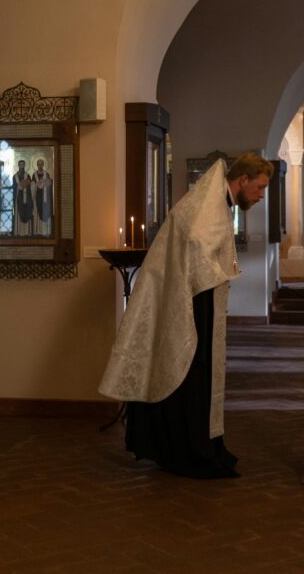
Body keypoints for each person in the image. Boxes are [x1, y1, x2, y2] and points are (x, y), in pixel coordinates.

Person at [99, 152, 273, 479]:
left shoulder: (215, 201)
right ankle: (189, 450)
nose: (262, 195)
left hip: (196, 299)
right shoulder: (209, 204)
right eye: (260, 187)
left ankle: (205, 445)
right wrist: (213, 277)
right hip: (191, 303)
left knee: (197, 375)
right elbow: (196, 245)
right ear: (243, 180)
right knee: (189, 372)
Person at [33, 157, 53, 236]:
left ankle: (45, 231)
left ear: (43, 165)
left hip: (45, 198)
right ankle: (38, 230)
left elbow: (49, 185)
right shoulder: (34, 175)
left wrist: (45, 183)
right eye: (39, 164)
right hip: (38, 196)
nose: (40, 165)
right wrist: (36, 185)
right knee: (38, 211)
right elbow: (32, 186)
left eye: (41, 164)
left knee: (45, 211)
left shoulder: (46, 174)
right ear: (37, 165)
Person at [14, 159, 34, 236]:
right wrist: (18, 187)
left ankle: (27, 231)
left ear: (24, 166)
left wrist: (25, 184)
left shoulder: (27, 175)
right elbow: (13, 188)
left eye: (23, 165)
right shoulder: (15, 176)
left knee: (27, 212)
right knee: (19, 213)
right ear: (18, 166)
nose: (22, 166)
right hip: (19, 198)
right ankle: (19, 231)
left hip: (27, 198)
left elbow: (31, 187)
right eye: (20, 165)